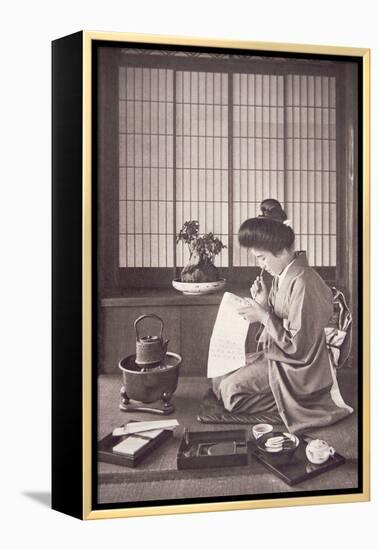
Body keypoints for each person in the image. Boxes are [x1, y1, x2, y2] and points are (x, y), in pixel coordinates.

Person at [212, 198, 353, 433]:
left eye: (263, 258)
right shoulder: (282, 276)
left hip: (301, 366)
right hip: (281, 354)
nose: (262, 265)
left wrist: (264, 316)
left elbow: (300, 347)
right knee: (219, 377)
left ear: (282, 251)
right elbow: (279, 318)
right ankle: (277, 398)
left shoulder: (305, 282)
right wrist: (263, 301)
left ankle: (288, 403)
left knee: (230, 392)